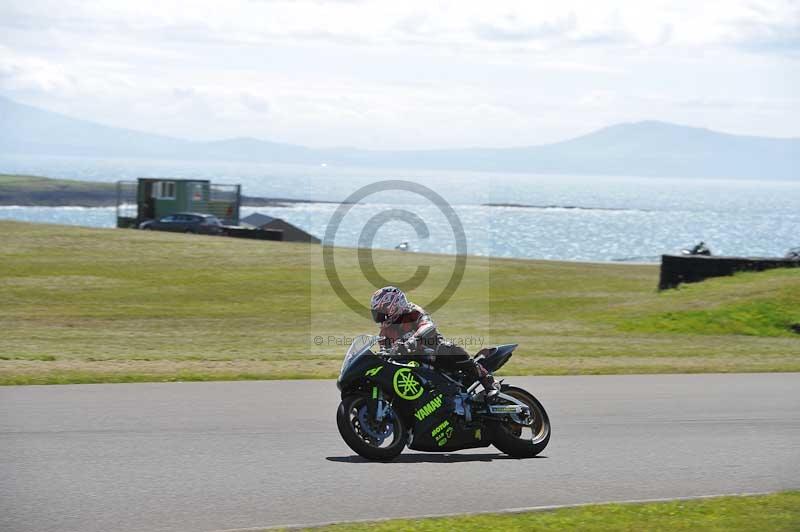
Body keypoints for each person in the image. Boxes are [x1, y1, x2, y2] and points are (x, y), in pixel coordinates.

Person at [369, 286, 499, 399]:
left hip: (431, 350)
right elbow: (385, 352)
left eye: (380, 313)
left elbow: (428, 326)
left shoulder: (413, 312)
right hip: (410, 363)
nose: (379, 318)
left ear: (393, 307)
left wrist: (413, 340)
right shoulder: (385, 331)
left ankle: (487, 380)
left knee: (447, 348)